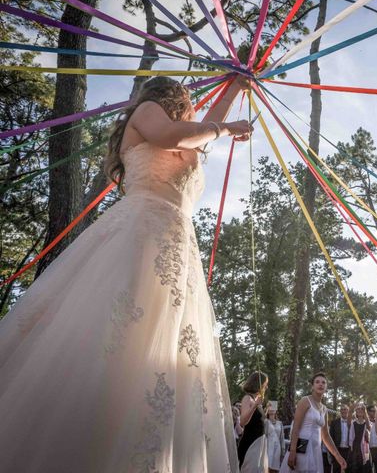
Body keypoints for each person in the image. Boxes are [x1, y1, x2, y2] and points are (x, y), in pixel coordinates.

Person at [0, 75, 253, 472]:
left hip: (177, 252)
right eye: (188, 102)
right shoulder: (147, 114)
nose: (193, 109)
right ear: (174, 98)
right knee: (122, 336)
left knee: (163, 352)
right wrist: (226, 127)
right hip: (139, 237)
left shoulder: (188, 133)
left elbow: (197, 132)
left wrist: (236, 89)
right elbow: (173, 135)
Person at [280, 372, 347, 473]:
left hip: (316, 449)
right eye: (317, 382)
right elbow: (296, 427)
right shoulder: (305, 401)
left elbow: (326, 436)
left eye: (323, 382)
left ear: (326, 387)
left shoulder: (324, 409)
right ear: (312, 386)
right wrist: (293, 451)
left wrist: (338, 456)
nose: (320, 384)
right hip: (301, 445)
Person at [237, 371, 269, 472]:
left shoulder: (256, 401)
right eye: (265, 384)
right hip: (251, 444)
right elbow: (242, 422)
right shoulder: (247, 398)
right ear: (258, 384)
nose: (266, 387)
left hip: (260, 442)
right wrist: (255, 405)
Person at [350, 403, 372, 473]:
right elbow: (351, 437)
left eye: (361, 409)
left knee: (364, 469)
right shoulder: (353, 423)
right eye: (358, 409)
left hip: (364, 449)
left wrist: (365, 411)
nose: (360, 410)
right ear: (356, 411)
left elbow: (369, 427)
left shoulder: (367, 423)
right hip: (355, 449)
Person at [330, 404, 352, 472]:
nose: (343, 411)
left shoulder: (352, 422)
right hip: (337, 450)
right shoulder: (334, 422)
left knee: (349, 469)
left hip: (349, 450)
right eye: (341, 409)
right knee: (336, 469)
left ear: (348, 411)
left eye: (345, 409)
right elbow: (331, 437)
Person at [266, 403, 286, 473]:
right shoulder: (265, 422)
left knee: (275, 468)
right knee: (266, 467)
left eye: (273, 407)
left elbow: (282, 438)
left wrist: (283, 451)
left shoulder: (280, 423)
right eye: (270, 407)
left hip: (277, 448)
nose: (271, 409)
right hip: (267, 447)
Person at [367, 404, 377, 473]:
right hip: (367, 450)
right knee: (368, 469)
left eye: (376, 411)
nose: (375, 412)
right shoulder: (364, 422)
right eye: (373, 411)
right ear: (368, 412)